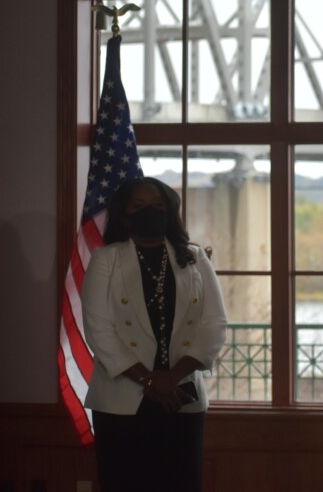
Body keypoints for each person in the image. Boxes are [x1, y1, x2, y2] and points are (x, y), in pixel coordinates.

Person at [82, 177, 228, 492]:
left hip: (181, 396)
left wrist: (170, 378)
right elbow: (98, 330)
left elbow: (214, 323)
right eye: (138, 206)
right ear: (123, 215)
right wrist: (150, 381)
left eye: (157, 205)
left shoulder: (194, 257)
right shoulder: (106, 259)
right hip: (121, 400)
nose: (149, 211)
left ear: (170, 211)